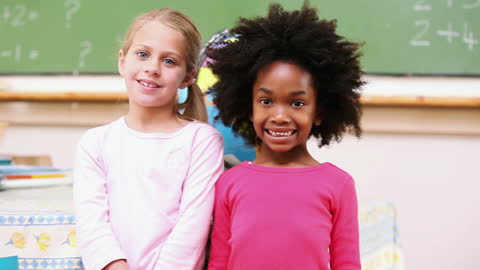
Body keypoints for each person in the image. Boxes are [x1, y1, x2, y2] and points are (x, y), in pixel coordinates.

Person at [206, 3, 364, 270]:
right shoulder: (228, 184)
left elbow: (347, 264)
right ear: (248, 107)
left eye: (297, 103)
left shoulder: (339, 185)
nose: (280, 115)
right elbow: (218, 263)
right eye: (266, 101)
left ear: (320, 111)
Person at [73, 8, 224, 270]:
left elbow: (192, 229)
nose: (152, 68)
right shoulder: (95, 143)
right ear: (122, 61)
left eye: (169, 61)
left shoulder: (202, 141)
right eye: (142, 54)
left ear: (188, 76)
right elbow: (92, 226)